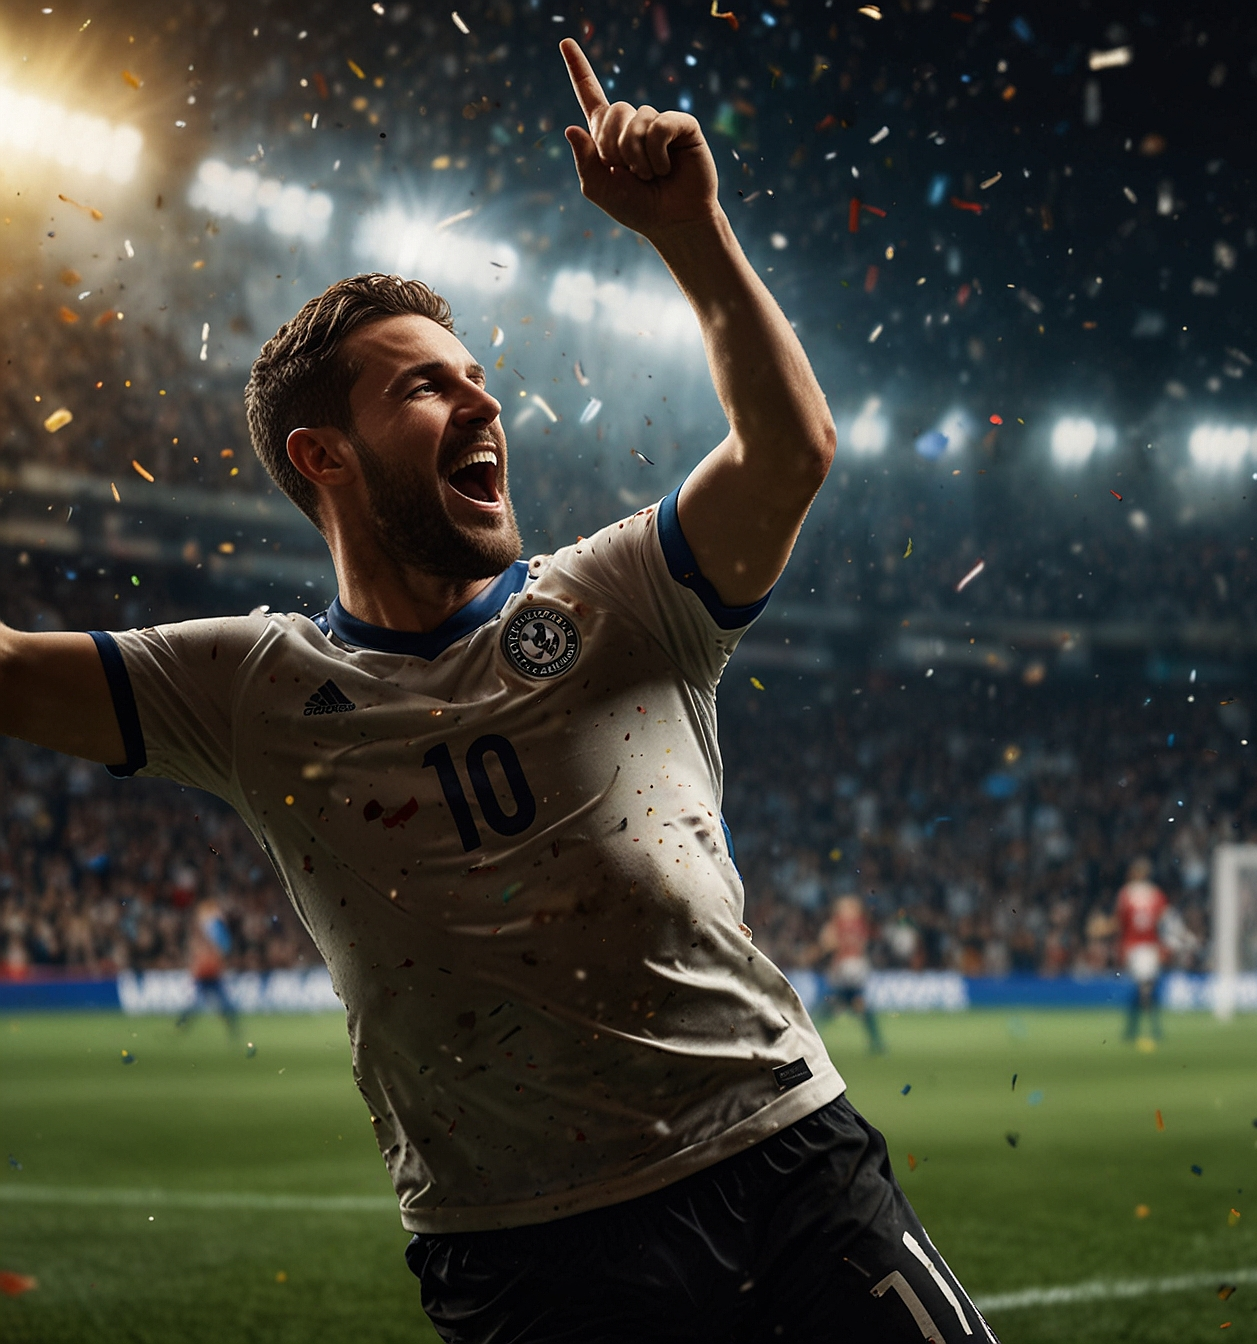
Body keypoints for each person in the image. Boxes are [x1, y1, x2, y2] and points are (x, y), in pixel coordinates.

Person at [0, 41, 996, 1344]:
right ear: (324, 457)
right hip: (522, 1256)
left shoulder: (619, 597)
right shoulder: (247, 686)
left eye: (480, 380)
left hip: (783, 1170)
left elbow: (789, 450)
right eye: (426, 385)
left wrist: (689, 232)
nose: (483, 401)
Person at [817, 894, 886, 1054]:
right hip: (859, 966)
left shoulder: (838, 923)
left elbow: (828, 942)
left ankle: (812, 1032)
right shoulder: (861, 923)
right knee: (856, 1003)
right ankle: (876, 1041)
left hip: (844, 966)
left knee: (835, 1002)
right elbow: (865, 941)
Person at [1114, 858, 1169, 1050]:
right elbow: (1163, 922)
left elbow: (1121, 923)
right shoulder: (1156, 894)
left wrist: (1121, 948)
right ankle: (1150, 1028)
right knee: (1146, 987)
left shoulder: (1126, 894)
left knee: (1143, 988)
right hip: (1149, 946)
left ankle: (1135, 1028)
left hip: (1134, 946)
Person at [175, 896, 239, 1037]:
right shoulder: (209, 932)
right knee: (204, 1004)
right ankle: (233, 1030)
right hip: (205, 974)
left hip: (211, 974)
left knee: (218, 1004)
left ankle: (233, 1029)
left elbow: (216, 951)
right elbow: (220, 950)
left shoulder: (207, 933)